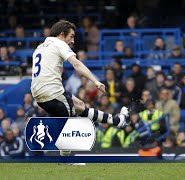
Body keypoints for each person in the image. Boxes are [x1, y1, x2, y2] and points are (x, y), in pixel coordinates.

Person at [30, 20, 129, 165]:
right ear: (62, 34)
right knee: (70, 122)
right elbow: (76, 64)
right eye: (71, 36)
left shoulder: (39, 47)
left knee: (80, 105)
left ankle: (117, 121)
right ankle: (66, 160)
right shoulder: (59, 44)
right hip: (52, 91)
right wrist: (95, 81)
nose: (73, 40)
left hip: (40, 93)